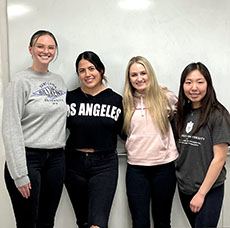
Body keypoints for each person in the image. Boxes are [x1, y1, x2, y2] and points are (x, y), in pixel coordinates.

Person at [2, 30, 67, 228]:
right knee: (27, 222)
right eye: (40, 46)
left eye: (51, 47)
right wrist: (20, 174)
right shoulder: (20, 81)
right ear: (31, 49)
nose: (45, 51)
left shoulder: (59, 81)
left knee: (47, 221)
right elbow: (10, 127)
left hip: (56, 160)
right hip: (28, 159)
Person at [65, 51, 123, 228]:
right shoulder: (69, 98)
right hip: (73, 164)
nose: (87, 74)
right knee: (83, 222)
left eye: (92, 68)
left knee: (98, 223)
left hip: (104, 165)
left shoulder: (116, 101)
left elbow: (127, 131)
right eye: (82, 71)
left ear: (101, 70)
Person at [123, 56, 178, 228]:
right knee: (140, 223)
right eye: (134, 75)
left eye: (143, 73)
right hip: (136, 169)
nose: (139, 78)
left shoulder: (166, 98)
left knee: (162, 221)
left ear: (150, 74)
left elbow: (180, 119)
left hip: (164, 167)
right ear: (129, 78)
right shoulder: (125, 102)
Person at [175, 62, 230, 228]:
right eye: (188, 82)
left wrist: (201, 194)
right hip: (185, 188)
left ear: (208, 84)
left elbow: (219, 159)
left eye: (200, 82)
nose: (194, 88)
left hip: (208, 190)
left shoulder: (218, 114)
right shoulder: (181, 114)